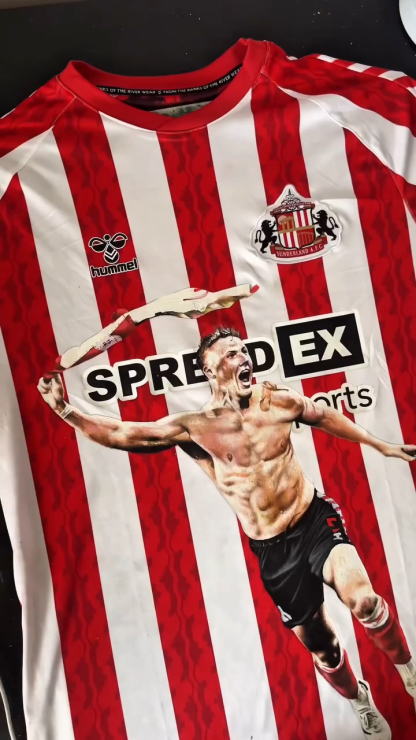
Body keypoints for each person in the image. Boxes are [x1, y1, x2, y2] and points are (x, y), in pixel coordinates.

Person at [38, 309, 416, 739]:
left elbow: (322, 415)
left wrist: (381, 445)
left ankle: (409, 672)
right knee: (325, 649)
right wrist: (66, 411)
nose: (244, 358)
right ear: (210, 371)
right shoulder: (195, 428)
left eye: (244, 350)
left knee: (364, 602)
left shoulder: (277, 402)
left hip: (314, 520)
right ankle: (360, 701)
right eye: (232, 354)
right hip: (274, 552)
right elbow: (124, 434)